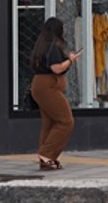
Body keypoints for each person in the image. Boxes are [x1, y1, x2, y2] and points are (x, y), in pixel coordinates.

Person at [29, 17, 80, 171]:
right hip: (49, 86)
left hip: (41, 85)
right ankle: (46, 154)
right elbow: (56, 68)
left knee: (50, 122)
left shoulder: (42, 46)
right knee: (66, 121)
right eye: (62, 27)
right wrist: (70, 60)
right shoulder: (52, 47)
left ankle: (46, 159)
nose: (64, 30)